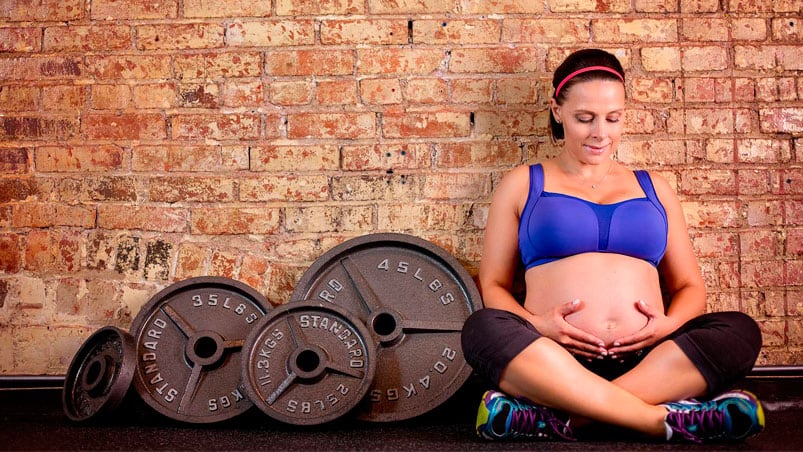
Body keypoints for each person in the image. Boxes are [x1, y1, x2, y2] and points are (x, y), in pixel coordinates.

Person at [460, 48, 764, 444]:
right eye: (584, 118)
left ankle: (561, 417)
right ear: (557, 110)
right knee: (481, 329)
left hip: (651, 358)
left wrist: (667, 326)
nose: (600, 132)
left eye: (613, 118)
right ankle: (662, 420)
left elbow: (690, 286)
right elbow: (493, 284)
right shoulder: (522, 183)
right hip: (551, 355)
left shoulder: (653, 187)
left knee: (740, 332)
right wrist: (540, 326)